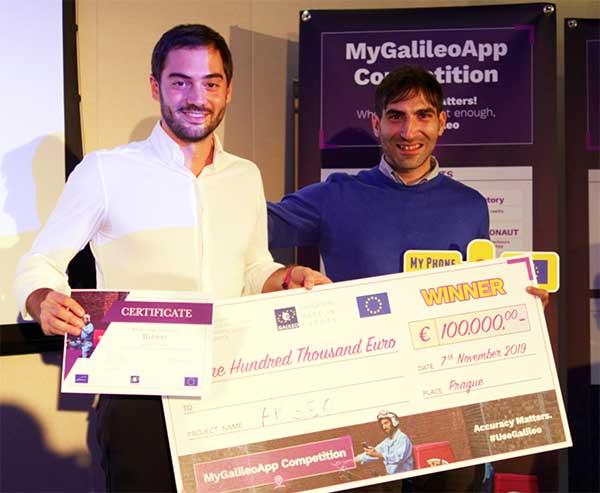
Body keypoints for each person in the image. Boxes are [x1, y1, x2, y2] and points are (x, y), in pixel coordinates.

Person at [14, 24, 329, 492]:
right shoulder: (106, 171)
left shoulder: (244, 175)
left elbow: (251, 268)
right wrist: (42, 299)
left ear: (228, 90)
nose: (196, 98)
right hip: (140, 395)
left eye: (211, 83)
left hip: (231, 386)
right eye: (180, 82)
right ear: (155, 86)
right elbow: (40, 262)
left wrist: (285, 277)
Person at [268, 65, 548, 492]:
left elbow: (476, 295)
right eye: (396, 116)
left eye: (423, 115)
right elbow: (250, 227)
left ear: (442, 122)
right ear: (376, 123)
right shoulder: (335, 195)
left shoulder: (470, 205)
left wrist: (518, 308)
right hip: (358, 395)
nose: (409, 130)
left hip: (444, 396)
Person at [355, 410, 414, 475]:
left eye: (386, 423)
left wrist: (379, 455)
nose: (384, 427)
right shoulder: (387, 442)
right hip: (392, 476)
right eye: (382, 425)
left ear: (394, 422)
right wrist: (355, 459)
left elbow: (399, 458)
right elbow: (376, 452)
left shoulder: (402, 438)